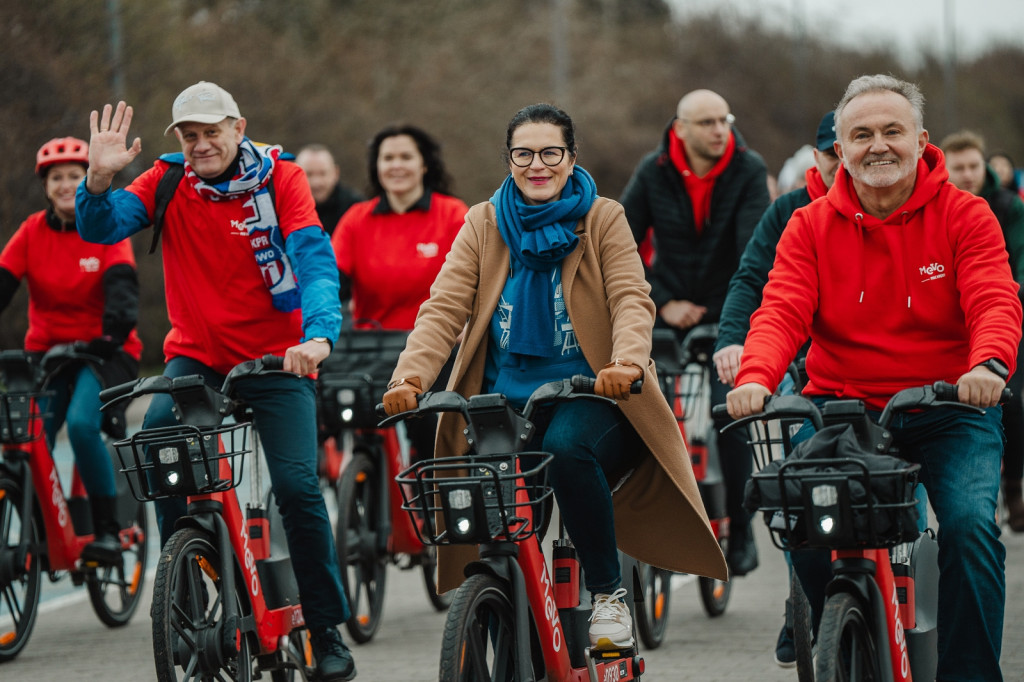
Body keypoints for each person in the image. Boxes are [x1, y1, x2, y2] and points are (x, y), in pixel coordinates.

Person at [381, 102, 726, 650]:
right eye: (523, 153)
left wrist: (627, 363)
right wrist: (409, 380)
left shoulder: (603, 217)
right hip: (502, 402)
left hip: (593, 393)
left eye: (550, 152)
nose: (536, 164)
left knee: (567, 450)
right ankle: (505, 598)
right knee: (491, 512)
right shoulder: (484, 222)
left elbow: (632, 299)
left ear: (570, 158)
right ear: (509, 158)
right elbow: (443, 309)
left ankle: (609, 597)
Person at [727, 74, 1021, 682]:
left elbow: (994, 296)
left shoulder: (967, 214)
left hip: (951, 405)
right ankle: (841, 622)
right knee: (799, 518)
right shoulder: (808, 225)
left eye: (892, 131)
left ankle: (969, 673)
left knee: (968, 528)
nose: (877, 146)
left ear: (920, 139)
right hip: (844, 408)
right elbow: (781, 308)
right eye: (861, 135)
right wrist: (756, 375)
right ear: (840, 147)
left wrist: (988, 363)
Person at [75, 82, 356, 681]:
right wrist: (97, 180)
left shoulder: (281, 179)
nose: (201, 145)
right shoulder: (166, 180)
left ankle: (326, 629)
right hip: (197, 361)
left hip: (279, 361)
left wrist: (318, 336)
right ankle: (189, 591)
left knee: (298, 488)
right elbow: (101, 230)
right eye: (189, 134)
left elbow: (312, 257)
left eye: (212, 132)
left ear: (238, 127)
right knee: (155, 446)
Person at [620, 88, 770, 578]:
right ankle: (653, 515)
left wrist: (724, 312)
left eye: (723, 119)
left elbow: (753, 251)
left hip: (728, 306)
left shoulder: (747, 170)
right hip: (669, 305)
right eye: (705, 122)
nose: (718, 129)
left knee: (729, 408)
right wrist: (663, 300)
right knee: (644, 403)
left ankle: (743, 530)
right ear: (680, 128)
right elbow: (621, 243)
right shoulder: (653, 170)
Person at [712, 110, 839, 667]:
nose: (845, 163)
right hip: (799, 366)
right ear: (818, 160)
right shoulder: (790, 212)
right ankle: (805, 603)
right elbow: (753, 281)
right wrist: (731, 344)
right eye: (833, 153)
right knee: (795, 493)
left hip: (878, 379)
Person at [0, 136, 143, 565]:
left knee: (82, 425)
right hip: (47, 354)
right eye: (56, 178)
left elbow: (122, 291)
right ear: (45, 186)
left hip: (106, 352)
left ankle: (107, 531)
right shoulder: (31, 232)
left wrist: (112, 331)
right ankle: (41, 526)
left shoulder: (105, 226)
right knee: (26, 435)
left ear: (87, 181)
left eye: (74, 177)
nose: (65, 185)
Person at [331, 124, 467, 462]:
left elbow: (473, 282)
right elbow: (333, 284)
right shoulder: (356, 220)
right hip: (371, 351)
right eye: (387, 158)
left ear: (424, 165)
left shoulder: (452, 215)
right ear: (376, 167)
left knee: (431, 440)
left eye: (406, 156)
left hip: (438, 351)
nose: (396, 165)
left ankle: (430, 504)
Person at [942, 129, 1024, 533]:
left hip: (1005, 311)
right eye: (960, 167)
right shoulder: (943, 209)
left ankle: (1012, 487)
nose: (969, 174)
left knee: (1011, 399)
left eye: (975, 165)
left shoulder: (1009, 205)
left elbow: (1019, 260)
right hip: (954, 320)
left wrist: (1007, 296)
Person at [295, 144, 363, 236]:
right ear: (294, 174)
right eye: (309, 174)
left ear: (336, 173)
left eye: (323, 173)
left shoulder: (356, 207)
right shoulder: (282, 207)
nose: (316, 182)